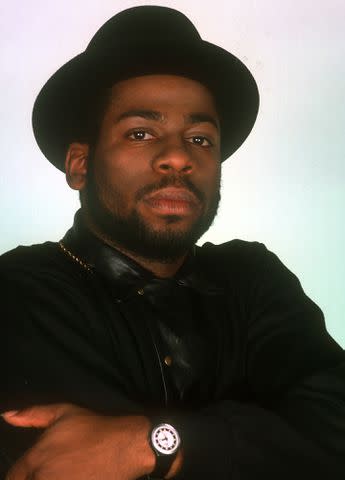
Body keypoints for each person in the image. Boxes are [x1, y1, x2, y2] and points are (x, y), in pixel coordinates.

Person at [1, 5, 344, 480]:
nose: (179, 157)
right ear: (81, 165)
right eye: (141, 132)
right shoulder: (19, 292)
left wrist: (151, 444)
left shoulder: (252, 278)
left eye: (201, 139)